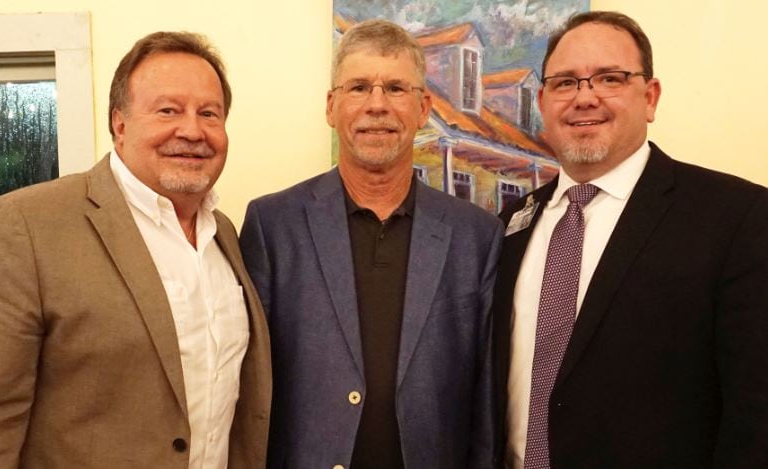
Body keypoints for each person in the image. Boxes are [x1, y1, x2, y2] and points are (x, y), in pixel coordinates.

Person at [0, 31, 271, 468]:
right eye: (168, 110)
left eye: (209, 113)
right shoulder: (28, 226)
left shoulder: (223, 233)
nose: (192, 130)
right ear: (120, 123)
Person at [492, 11, 768, 469]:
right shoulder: (512, 222)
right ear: (542, 102)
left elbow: (756, 414)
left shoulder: (738, 218)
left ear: (650, 97)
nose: (585, 98)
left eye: (609, 78)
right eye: (565, 83)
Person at [239, 19, 503, 469]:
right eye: (359, 87)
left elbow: (486, 398)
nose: (377, 106)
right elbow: (249, 388)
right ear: (331, 106)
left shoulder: (476, 236)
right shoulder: (272, 225)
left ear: (423, 109)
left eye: (396, 89)